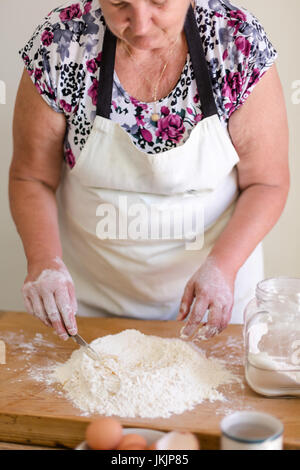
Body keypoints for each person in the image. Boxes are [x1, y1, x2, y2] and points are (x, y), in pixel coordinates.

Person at [9, 0, 289, 343]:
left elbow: (267, 182)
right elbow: (31, 177)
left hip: (213, 302)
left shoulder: (236, 43)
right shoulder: (62, 43)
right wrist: (43, 262)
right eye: (119, 3)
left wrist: (223, 268)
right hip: (90, 308)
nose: (140, 24)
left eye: (158, 1)